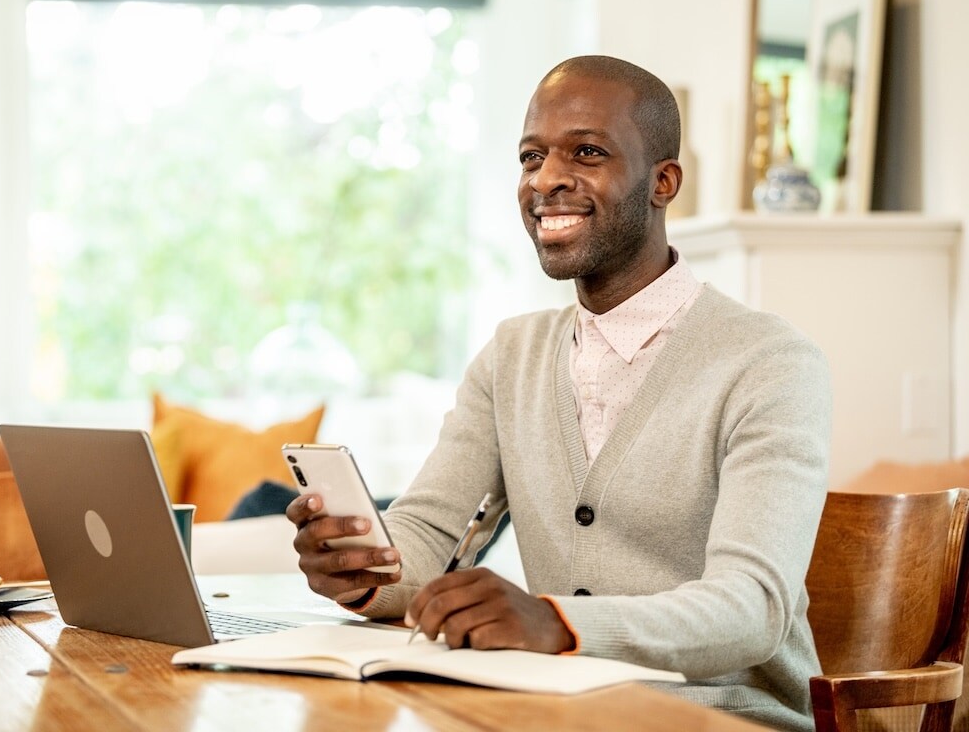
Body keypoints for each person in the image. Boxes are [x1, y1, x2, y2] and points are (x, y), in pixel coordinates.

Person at [287, 55, 831, 732]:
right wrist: (362, 568)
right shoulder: (510, 355)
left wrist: (555, 620)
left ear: (663, 182)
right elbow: (427, 531)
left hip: (727, 717)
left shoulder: (770, 363)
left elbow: (752, 608)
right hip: (557, 710)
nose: (546, 180)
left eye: (589, 152)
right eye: (531, 156)